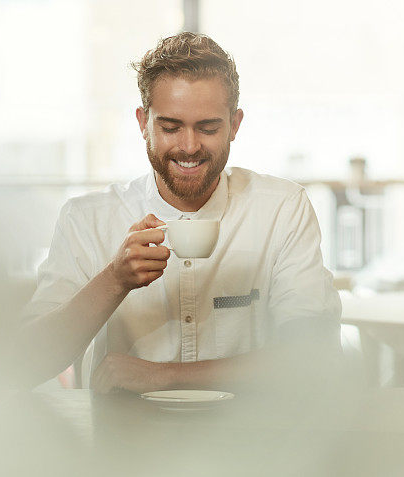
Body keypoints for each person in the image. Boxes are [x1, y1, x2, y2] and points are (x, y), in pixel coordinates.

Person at [19, 32, 341, 394]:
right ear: (143, 123)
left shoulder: (281, 207)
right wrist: (115, 279)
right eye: (170, 127)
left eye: (208, 127)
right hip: (125, 441)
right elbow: (27, 363)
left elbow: (315, 358)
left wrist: (165, 377)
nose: (189, 147)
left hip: (251, 439)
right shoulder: (87, 219)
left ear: (234, 125)